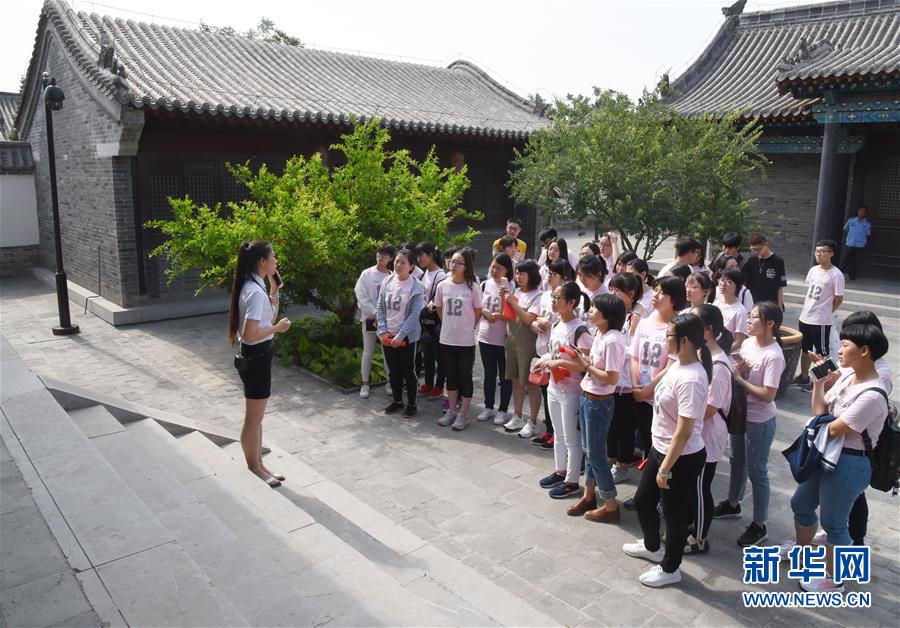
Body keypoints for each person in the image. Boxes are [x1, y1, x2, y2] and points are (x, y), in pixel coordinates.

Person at [788, 323, 889, 593]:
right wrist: (819, 383)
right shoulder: (846, 377)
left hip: (849, 464)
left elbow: (833, 428)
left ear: (865, 351)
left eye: (845, 344)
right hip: (827, 456)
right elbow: (820, 409)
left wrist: (819, 419)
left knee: (834, 524)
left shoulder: (873, 394)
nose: (839, 349)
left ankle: (834, 579)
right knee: (801, 503)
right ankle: (804, 554)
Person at [623, 313, 710, 587]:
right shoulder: (678, 364)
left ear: (684, 341)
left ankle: (670, 568)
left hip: (680, 458)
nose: (664, 340)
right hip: (661, 450)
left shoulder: (693, 379)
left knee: (674, 515)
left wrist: (665, 467)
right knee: (643, 500)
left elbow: (684, 431)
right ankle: (652, 546)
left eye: (669, 336)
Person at [714, 302, 785, 546]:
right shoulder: (747, 344)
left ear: (770, 324)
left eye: (754, 317)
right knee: (737, 462)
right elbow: (743, 376)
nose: (748, 320)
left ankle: (759, 524)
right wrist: (741, 372)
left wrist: (739, 380)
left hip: (760, 421)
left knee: (758, 472)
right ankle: (733, 503)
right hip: (741, 414)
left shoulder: (774, 355)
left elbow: (768, 394)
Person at [229, 240, 292, 487]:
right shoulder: (254, 292)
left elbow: (267, 318)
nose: (276, 261)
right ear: (262, 262)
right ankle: (254, 467)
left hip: (260, 355)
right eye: (273, 256)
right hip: (255, 357)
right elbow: (252, 332)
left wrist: (275, 290)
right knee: (253, 418)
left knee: (257, 417)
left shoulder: (255, 286)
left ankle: (260, 464)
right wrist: (279, 328)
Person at [567, 293, 628, 522]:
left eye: (594, 308)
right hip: (588, 396)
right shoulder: (600, 334)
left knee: (596, 454)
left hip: (599, 402)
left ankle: (611, 504)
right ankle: (589, 494)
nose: (590, 311)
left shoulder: (613, 339)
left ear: (607, 316)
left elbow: (611, 378)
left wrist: (586, 366)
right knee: (588, 449)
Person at [533, 281, 593, 499]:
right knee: (558, 434)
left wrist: (557, 364)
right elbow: (555, 354)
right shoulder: (557, 325)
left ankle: (572, 481)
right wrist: (545, 361)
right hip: (554, 387)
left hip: (571, 391)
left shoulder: (581, 330)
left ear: (571, 303)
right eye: (553, 297)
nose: (553, 301)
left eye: (558, 298)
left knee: (571, 438)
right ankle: (560, 471)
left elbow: (584, 365)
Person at [686, 304, 734, 555]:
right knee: (692, 484)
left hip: (708, 434)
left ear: (708, 329)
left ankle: (700, 538)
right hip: (695, 433)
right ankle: (691, 525)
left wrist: (682, 419)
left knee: (701, 486)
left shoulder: (719, 365)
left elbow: (710, 408)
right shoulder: (702, 355)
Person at [630, 277, 687, 467]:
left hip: (660, 397)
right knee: (645, 436)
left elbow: (671, 365)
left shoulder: (676, 328)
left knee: (659, 443)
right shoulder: (645, 323)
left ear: (675, 299)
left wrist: (648, 390)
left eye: (662, 292)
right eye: (655, 290)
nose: (655, 295)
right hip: (640, 394)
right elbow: (635, 357)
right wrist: (636, 386)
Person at [529, 259, 575, 449]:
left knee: (556, 396)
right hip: (543, 349)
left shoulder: (567, 298)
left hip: (557, 355)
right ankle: (549, 430)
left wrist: (549, 325)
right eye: (547, 272)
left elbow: (563, 322)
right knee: (546, 391)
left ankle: (558, 434)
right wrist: (535, 324)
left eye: (553, 273)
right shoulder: (545, 295)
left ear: (563, 277)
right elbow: (534, 317)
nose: (548, 276)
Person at [435, 249, 483, 430]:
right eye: (452, 261)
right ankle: (452, 411)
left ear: (467, 266)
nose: (453, 265)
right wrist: (448, 324)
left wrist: (468, 326)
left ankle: (463, 414)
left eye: (458, 262)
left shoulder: (473, 287)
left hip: (465, 341)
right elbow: (439, 308)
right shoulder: (442, 285)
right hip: (446, 339)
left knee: (465, 377)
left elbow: (478, 311)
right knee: (450, 377)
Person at [377, 249, 425, 419]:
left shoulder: (417, 286)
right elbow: (380, 307)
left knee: (408, 371)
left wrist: (400, 335)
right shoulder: (387, 281)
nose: (398, 264)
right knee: (393, 371)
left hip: (406, 338)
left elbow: (414, 314)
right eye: (397, 261)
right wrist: (382, 331)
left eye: (403, 262)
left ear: (411, 266)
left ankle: (411, 404)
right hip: (388, 336)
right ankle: (397, 401)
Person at [606, 272, 644, 484]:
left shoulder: (636, 319)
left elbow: (634, 351)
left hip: (627, 384)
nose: (612, 294)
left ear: (631, 294)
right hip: (611, 382)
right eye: (611, 289)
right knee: (611, 425)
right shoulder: (612, 316)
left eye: (617, 291)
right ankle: (611, 459)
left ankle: (622, 464)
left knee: (626, 427)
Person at [501, 260, 545, 437]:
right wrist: (505, 299)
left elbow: (528, 319)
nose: (518, 277)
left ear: (532, 275)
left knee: (531, 384)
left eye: (522, 274)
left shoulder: (538, 296)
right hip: (513, 342)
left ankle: (533, 421)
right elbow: (509, 315)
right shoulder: (516, 291)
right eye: (517, 273)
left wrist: (512, 301)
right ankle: (517, 415)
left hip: (528, 345)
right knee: (515, 381)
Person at [794, 239, 845, 391]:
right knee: (805, 349)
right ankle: (804, 377)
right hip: (805, 317)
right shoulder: (813, 270)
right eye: (817, 251)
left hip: (821, 320)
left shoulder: (836, 275)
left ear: (831, 254)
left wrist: (828, 311)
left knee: (822, 353)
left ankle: (822, 382)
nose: (819, 254)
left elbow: (839, 298)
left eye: (823, 251)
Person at [476, 253, 514, 424]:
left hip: (504, 338)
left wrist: (500, 311)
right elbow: (480, 306)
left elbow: (512, 313)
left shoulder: (511, 286)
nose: (495, 270)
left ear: (507, 270)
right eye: (493, 266)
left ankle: (503, 410)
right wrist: (485, 313)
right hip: (485, 336)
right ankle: (488, 407)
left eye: (499, 267)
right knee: (489, 374)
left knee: (505, 376)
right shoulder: (485, 284)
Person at [355, 243, 394, 399]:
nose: (381, 256)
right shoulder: (367, 274)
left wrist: (384, 316)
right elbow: (361, 295)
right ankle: (365, 384)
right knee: (368, 351)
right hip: (370, 319)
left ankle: (390, 382)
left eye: (385, 254)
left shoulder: (392, 276)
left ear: (391, 258)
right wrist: (374, 312)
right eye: (379, 253)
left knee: (387, 353)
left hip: (387, 321)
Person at [415, 242, 447, 401]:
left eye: (421, 255)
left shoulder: (441, 275)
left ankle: (439, 386)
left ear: (431, 256)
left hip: (435, 322)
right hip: (424, 320)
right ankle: (428, 383)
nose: (418, 259)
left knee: (439, 355)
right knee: (427, 353)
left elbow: (438, 300)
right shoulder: (424, 273)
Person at [742, 233, 786, 310]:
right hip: (752, 303)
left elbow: (780, 287)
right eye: (753, 249)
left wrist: (779, 307)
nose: (756, 252)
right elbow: (744, 283)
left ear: (766, 245)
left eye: (758, 249)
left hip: (770, 305)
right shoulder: (751, 260)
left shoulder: (778, 261)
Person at [715, 268, 748, 352]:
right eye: (722, 279)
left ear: (737, 286)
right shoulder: (717, 303)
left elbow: (739, 341)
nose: (723, 284)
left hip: (728, 356)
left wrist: (723, 355)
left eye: (729, 282)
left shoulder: (740, 311)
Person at [840, 206, 871, 280]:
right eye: (860, 211)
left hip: (860, 244)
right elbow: (846, 229)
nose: (861, 213)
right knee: (846, 258)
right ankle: (840, 273)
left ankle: (852, 276)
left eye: (863, 211)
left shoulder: (867, 223)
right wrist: (850, 237)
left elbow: (868, 234)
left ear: (866, 213)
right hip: (850, 242)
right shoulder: (851, 220)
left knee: (855, 260)